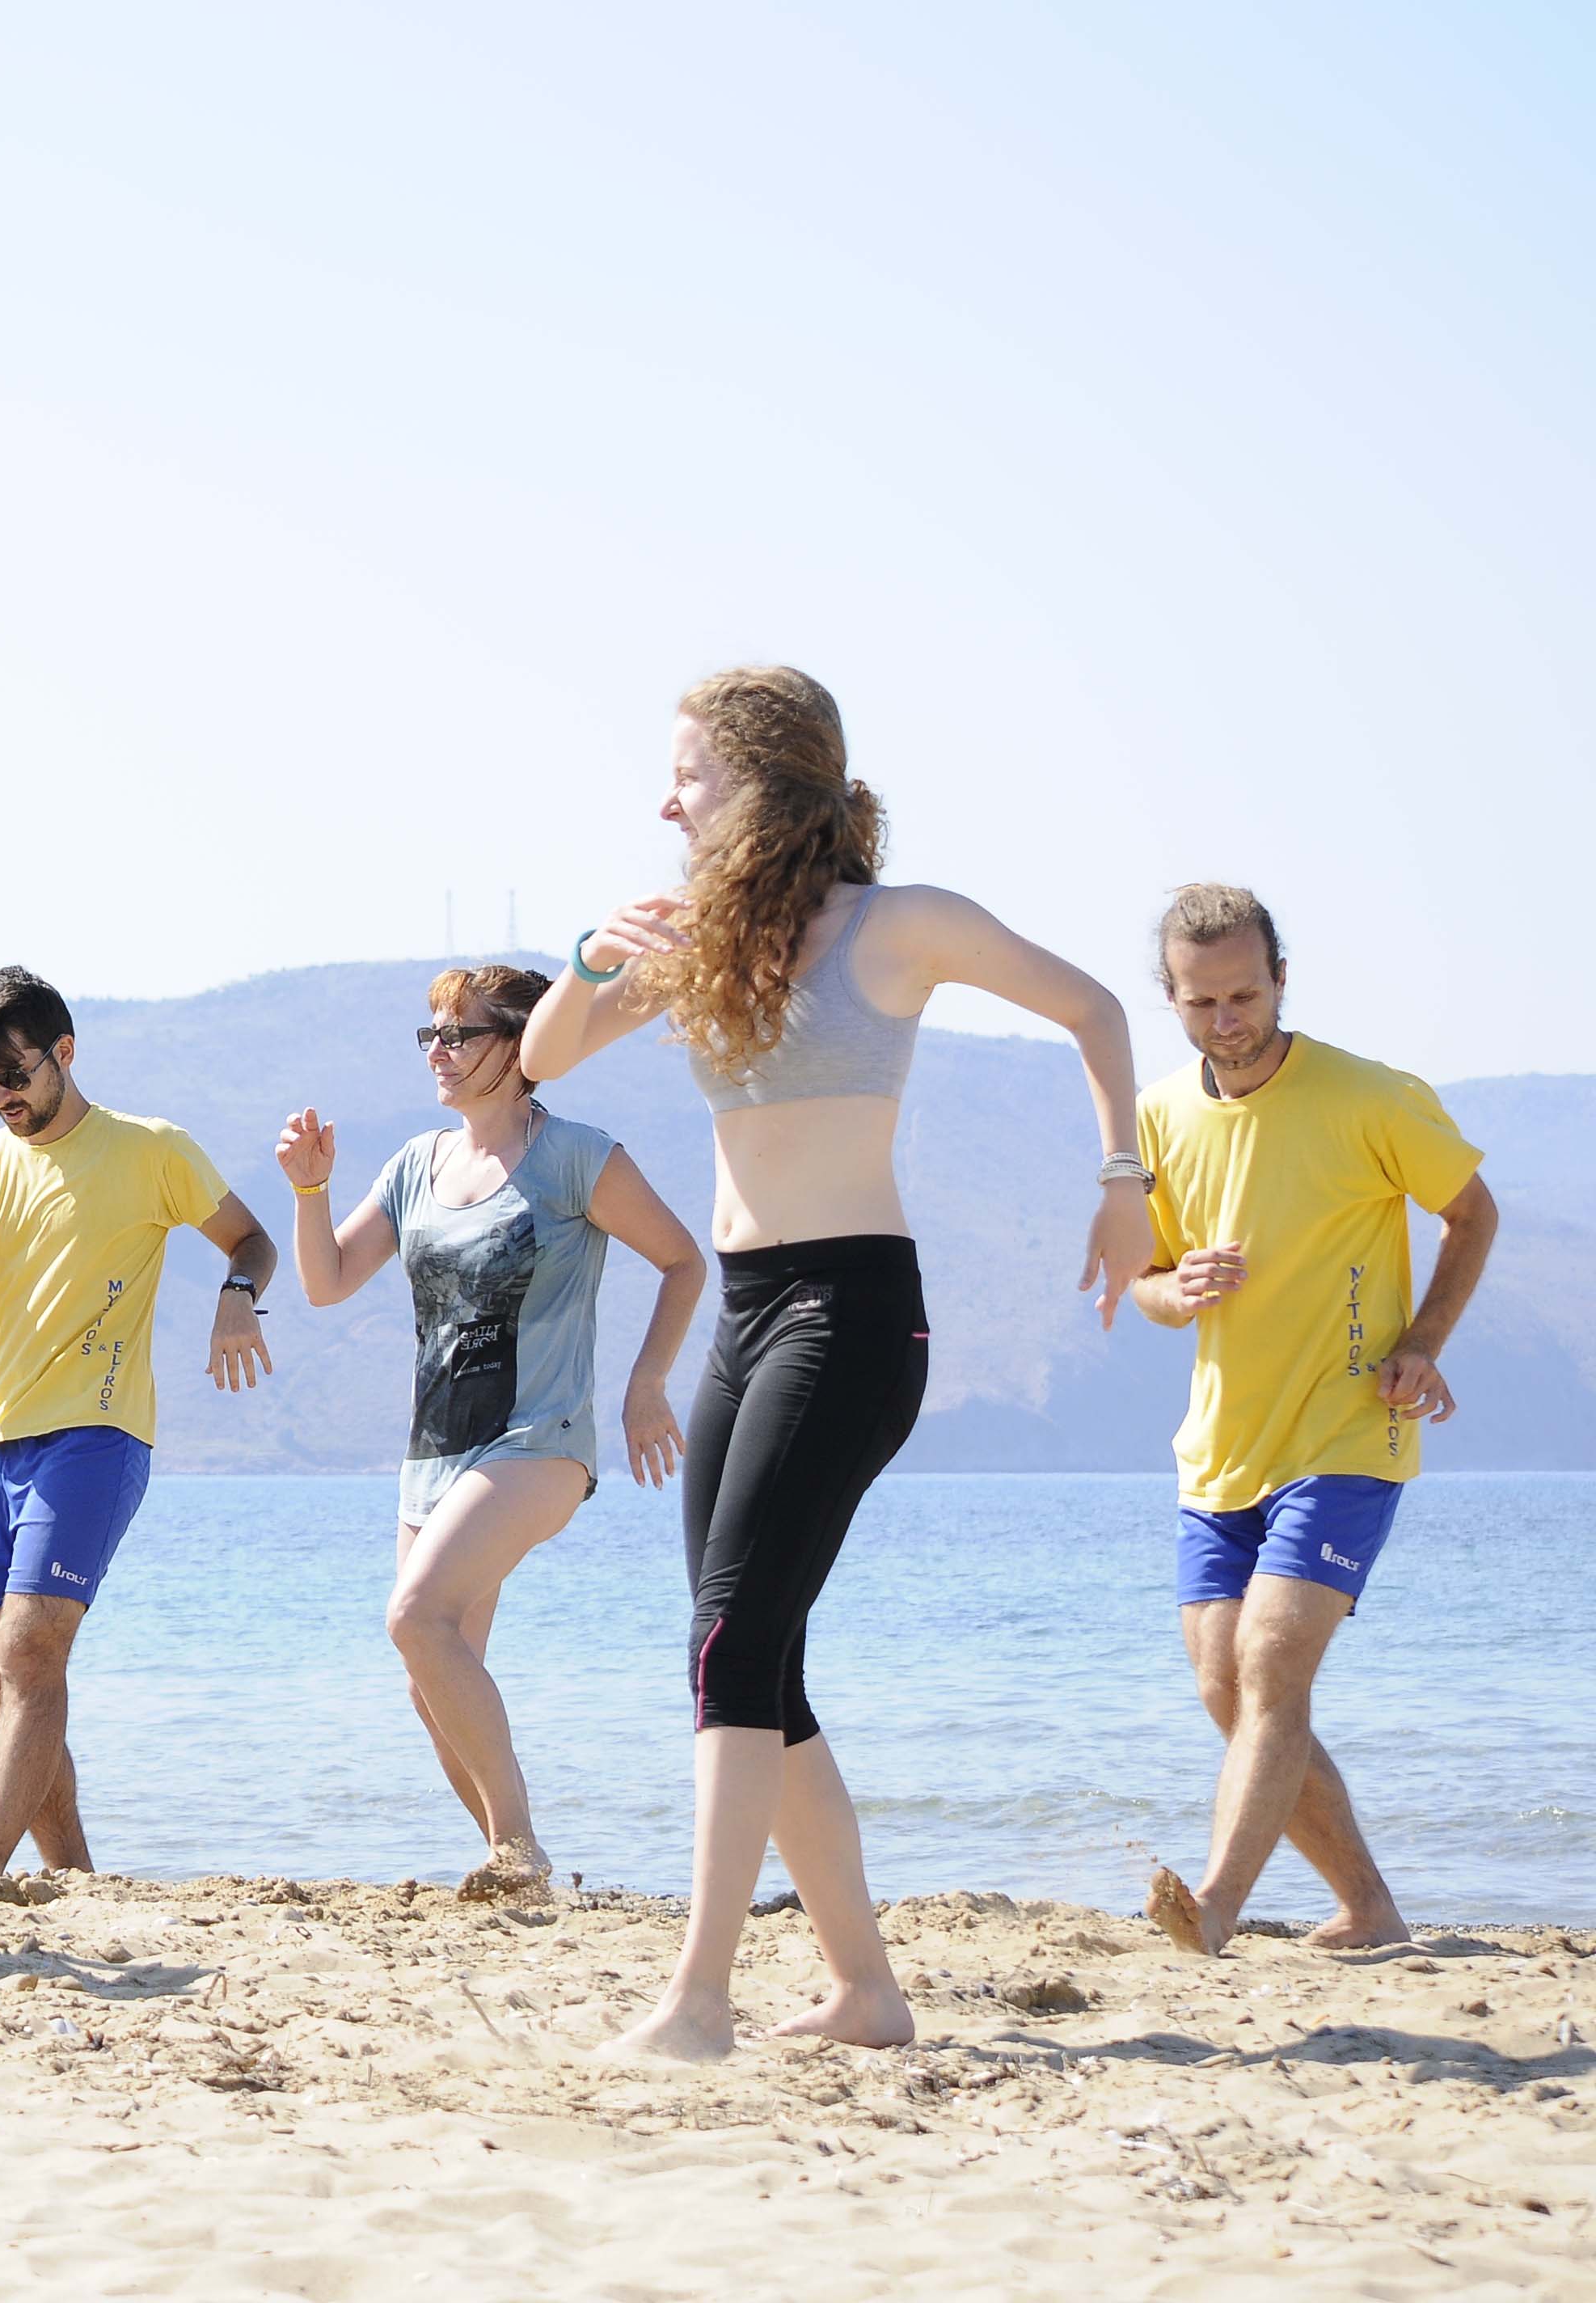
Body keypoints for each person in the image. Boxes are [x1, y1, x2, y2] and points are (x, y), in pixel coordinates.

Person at [521, 666, 1151, 2060]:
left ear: (758, 780)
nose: (663, 798)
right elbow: (542, 1053)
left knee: (729, 1642)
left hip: (851, 1313)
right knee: (757, 1657)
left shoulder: (895, 923)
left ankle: (697, 1998)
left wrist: (1122, 1179)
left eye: (685, 771)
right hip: (744, 1316)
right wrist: (593, 955)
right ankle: (864, 1989)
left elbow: (1096, 1007)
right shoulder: (702, 938)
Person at [275, 963, 703, 1904]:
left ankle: (518, 1847)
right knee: (430, 1678)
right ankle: (523, 1875)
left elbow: (681, 1260)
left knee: (412, 1617)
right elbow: (326, 1281)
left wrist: (645, 1384)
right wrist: (311, 1191)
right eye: (428, 1032)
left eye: (459, 1033)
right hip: (432, 1453)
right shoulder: (414, 1165)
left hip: (537, 1442)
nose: (438, 1050)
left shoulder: (577, 1158)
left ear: (518, 1046)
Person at [1131, 885, 1495, 1958]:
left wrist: (1423, 1340)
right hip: (1220, 1449)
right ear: (1174, 999)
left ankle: (1218, 1909)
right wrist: (1177, 1286)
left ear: (1281, 980)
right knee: (1224, 1685)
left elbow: (1471, 1212)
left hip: (1348, 1428)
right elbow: (1141, 1283)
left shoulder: (1372, 1098)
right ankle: (1371, 1911)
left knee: (1274, 1662)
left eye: (1247, 994)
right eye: (1204, 1002)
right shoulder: (1160, 1114)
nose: (1229, 1019)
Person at [0, 966, 277, 1884]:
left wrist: (235, 1297)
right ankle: (73, 1878)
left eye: (13, 1074)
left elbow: (249, 1239)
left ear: (63, 1051)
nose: (0, 1097)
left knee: (30, 1646)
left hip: (96, 1435)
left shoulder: (151, 1148)